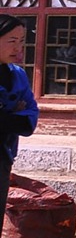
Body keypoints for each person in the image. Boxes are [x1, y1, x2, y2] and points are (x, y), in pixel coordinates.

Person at [0, 15, 39, 188]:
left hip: (4, 157)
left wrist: (6, 117)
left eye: (21, 41)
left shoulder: (18, 75)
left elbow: (28, 122)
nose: (18, 48)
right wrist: (13, 114)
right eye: (12, 41)